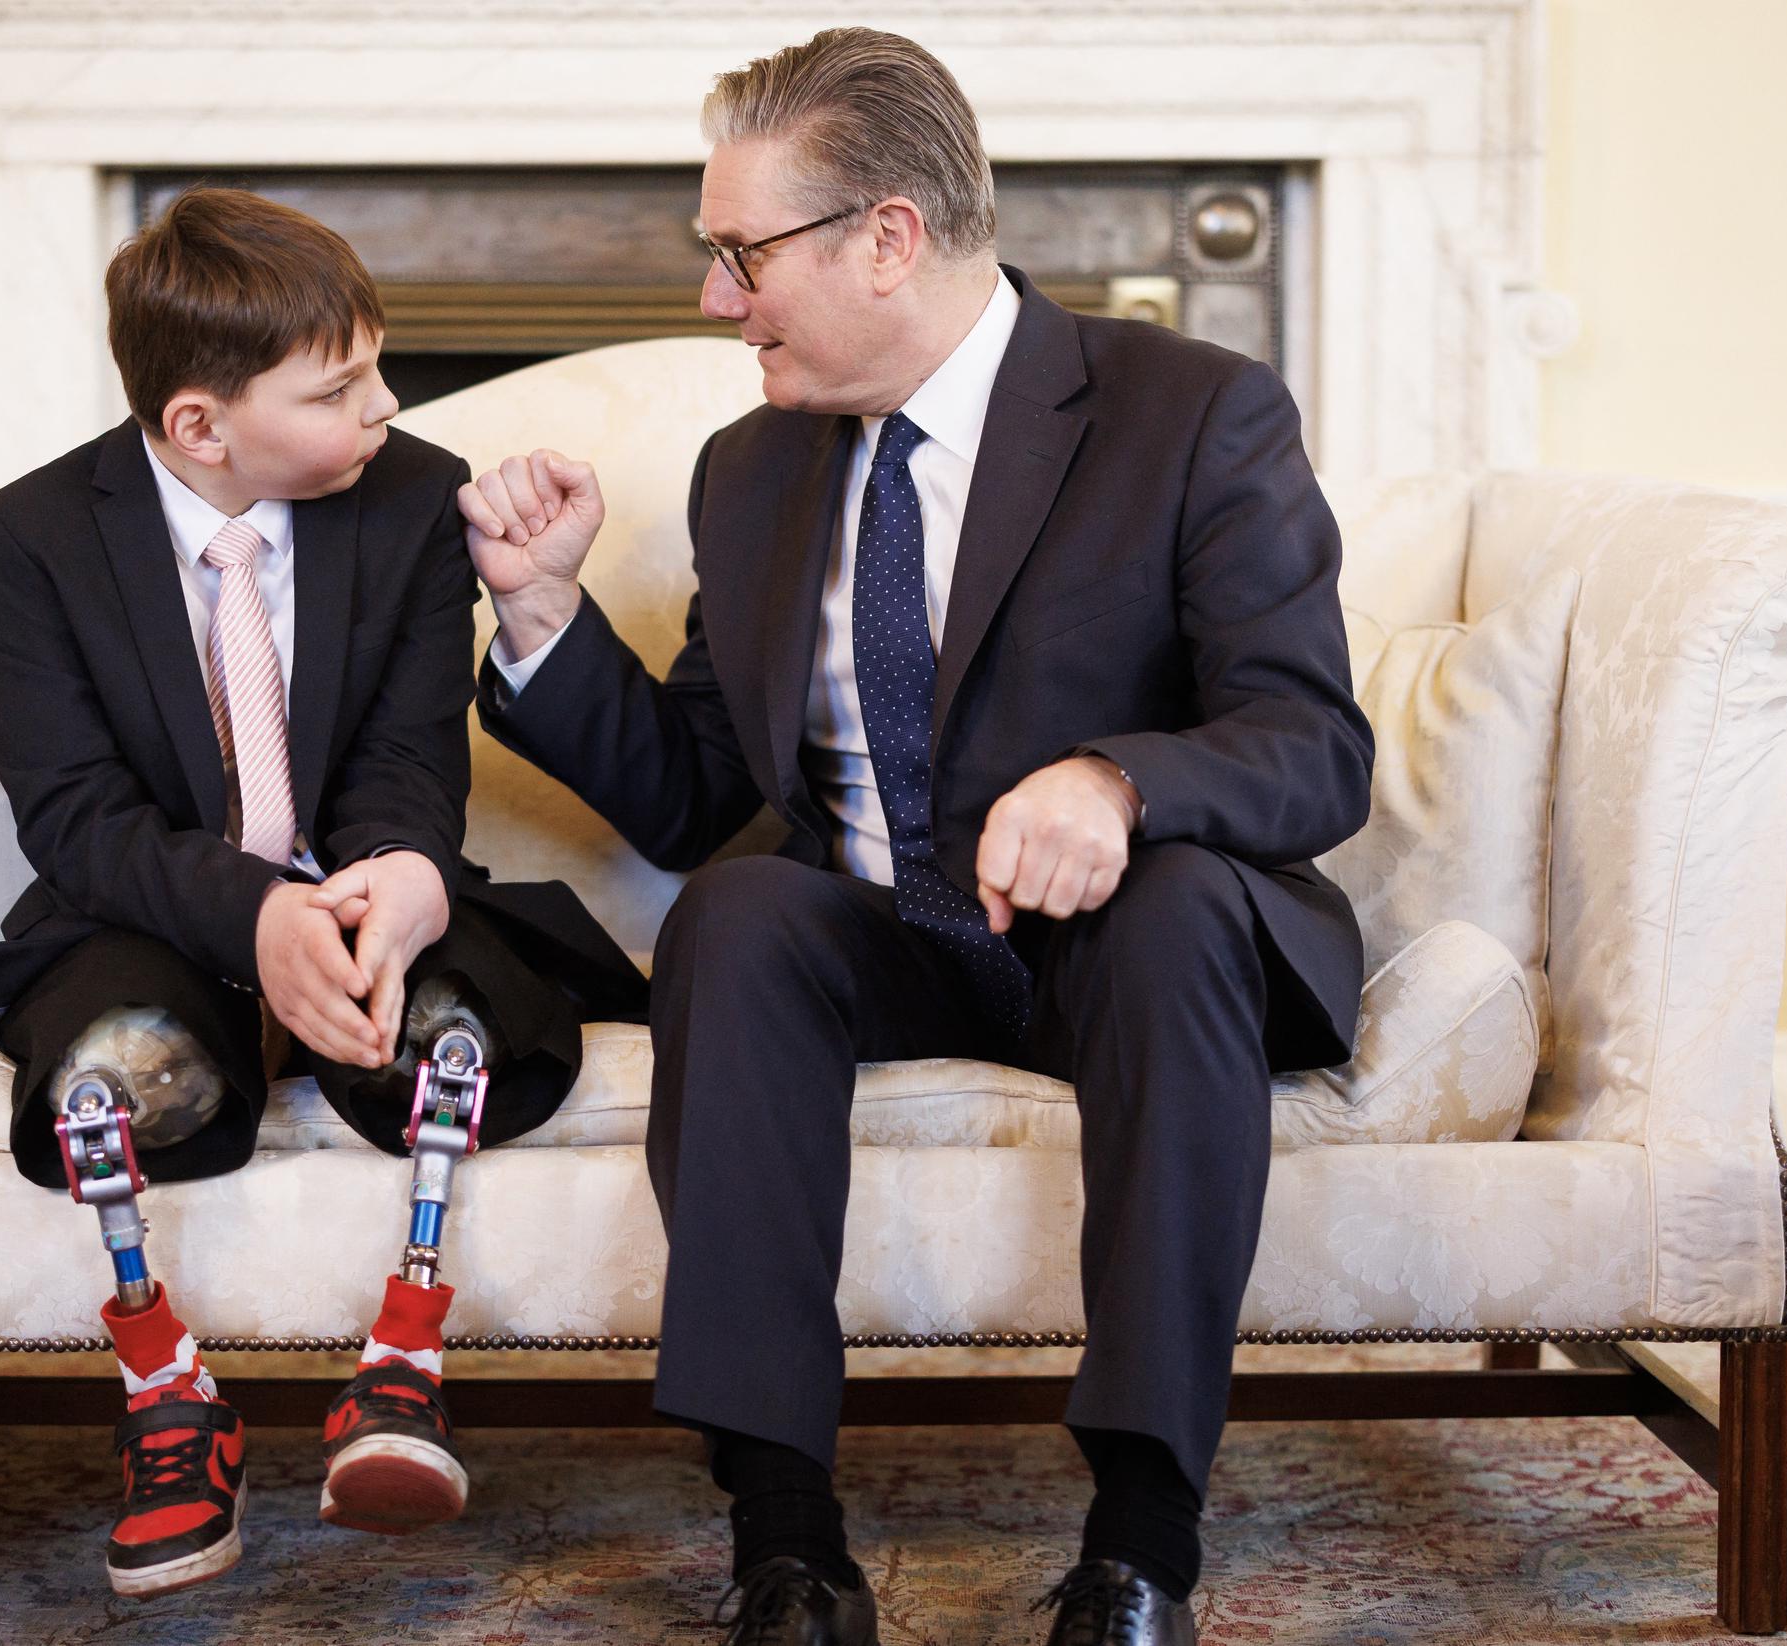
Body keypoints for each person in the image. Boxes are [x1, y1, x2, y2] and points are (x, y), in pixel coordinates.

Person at [459, 29, 1373, 1646]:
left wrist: (1117, 783)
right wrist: (540, 614)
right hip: (882, 934)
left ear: (886, 236)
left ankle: (1142, 1540)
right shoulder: (752, 472)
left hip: (1120, 947)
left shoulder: (1191, 414)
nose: (714, 300)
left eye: (739, 256)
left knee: (1172, 920)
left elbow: (1313, 744)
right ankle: (787, 1543)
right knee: (736, 909)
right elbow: (691, 793)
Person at [0, 185, 642, 1599]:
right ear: (199, 426)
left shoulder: (406, 502)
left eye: (381, 366)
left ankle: (402, 1365)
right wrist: (255, 919)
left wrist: (390, 885)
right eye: (340, 389)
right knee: (115, 1075)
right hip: (150, 915)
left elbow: (408, 762)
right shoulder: (31, 538)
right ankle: (170, 1403)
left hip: (362, 896)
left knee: (459, 1038)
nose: (387, 407)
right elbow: (77, 816)